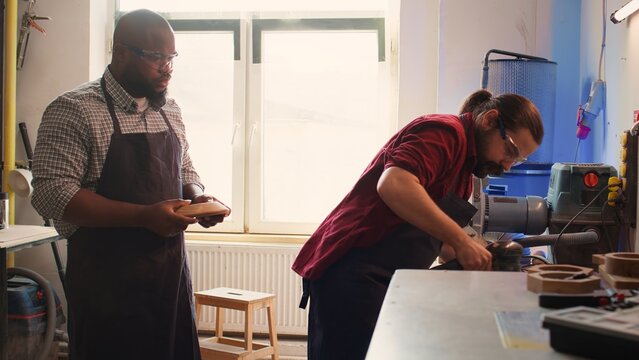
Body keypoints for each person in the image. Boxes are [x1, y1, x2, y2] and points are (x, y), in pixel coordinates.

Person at [30, 9, 227, 360]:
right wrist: (144, 216)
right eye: (155, 57)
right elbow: (52, 193)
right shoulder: (73, 109)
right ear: (120, 52)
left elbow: (184, 168)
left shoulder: (170, 110)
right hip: (106, 286)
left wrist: (198, 198)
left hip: (168, 279)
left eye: (171, 58)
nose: (166, 67)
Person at [291, 89, 544, 360]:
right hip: (352, 270)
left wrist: (479, 252)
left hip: (385, 279)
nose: (507, 165)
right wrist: (461, 242)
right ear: (490, 120)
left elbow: (441, 243)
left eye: (517, 160)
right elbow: (394, 183)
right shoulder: (445, 132)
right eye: (510, 150)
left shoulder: (464, 170)